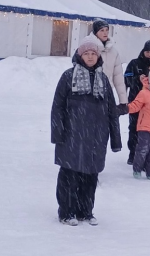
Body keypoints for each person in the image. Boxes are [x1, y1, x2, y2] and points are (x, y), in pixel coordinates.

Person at [51, 37, 122, 226]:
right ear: (80, 56)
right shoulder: (68, 76)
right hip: (72, 136)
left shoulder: (103, 79)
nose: (90, 57)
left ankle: (85, 211)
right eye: (86, 54)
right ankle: (66, 212)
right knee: (70, 175)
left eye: (93, 54)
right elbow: (57, 107)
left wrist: (115, 139)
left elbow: (111, 111)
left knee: (91, 176)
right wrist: (58, 133)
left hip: (96, 138)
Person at [124, 40, 150, 164]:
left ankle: (146, 154)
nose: (149, 54)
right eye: (148, 51)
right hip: (135, 100)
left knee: (149, 129)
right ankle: (132, 153)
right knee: (134, 127)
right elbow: (125, 80)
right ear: (143, 51)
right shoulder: (134, 63)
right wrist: (136, 79)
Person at [88, 20, 128, 106]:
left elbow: (118, 78)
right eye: (102, 30)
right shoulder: (88, 48)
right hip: (88, 93)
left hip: (106, 94)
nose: (105, 33)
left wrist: (123, 101)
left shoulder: (113, 52)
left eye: (107, 30)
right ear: (95, 32)